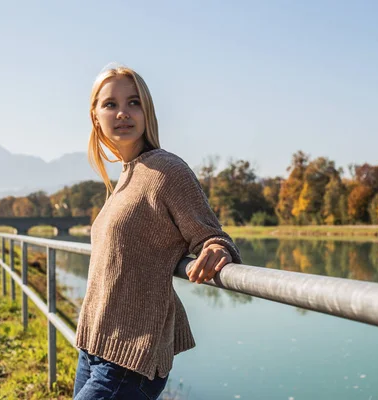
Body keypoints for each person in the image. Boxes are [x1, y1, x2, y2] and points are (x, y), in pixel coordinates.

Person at [73, 65, 242, 400]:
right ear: (95, 116)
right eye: (110, 104)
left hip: (129, 361)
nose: (122, 112)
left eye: (133, 102)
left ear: (146, 111)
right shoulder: (126, 176)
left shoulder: (167, 170)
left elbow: (212, 236)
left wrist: (216, 249)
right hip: (92, 347)